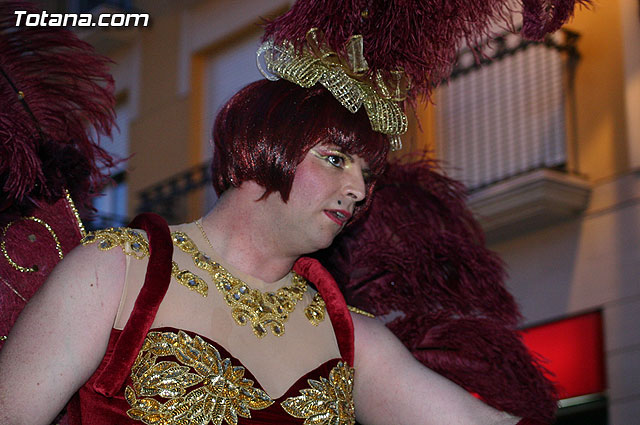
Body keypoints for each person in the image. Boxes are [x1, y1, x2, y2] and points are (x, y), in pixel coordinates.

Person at [0, 0, 587, 423]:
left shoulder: (350, 335)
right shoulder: (114, 272)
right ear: (262, 147)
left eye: (367, 175)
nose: (358, 190)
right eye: (336, 159)